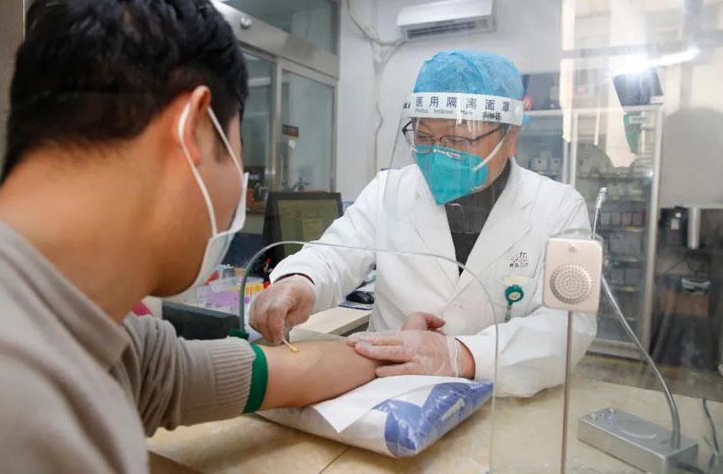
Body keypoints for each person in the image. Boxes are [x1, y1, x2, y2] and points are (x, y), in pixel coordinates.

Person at [0, 0, 382, 472]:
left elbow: (266, 372)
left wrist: (403, 351)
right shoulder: (1, 402)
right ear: (194, 129)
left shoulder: (107, 340)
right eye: (237, 150)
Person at [250, 50, 597, 397]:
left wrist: (461, 354)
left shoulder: (561, 208)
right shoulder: (389, 190)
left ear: (510, 138)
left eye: (457, 139)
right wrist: (300, 281)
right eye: (424, 136)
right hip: (385, 392)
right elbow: (333, 255)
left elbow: (571, 326)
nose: (437, 152)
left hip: (496, 402)